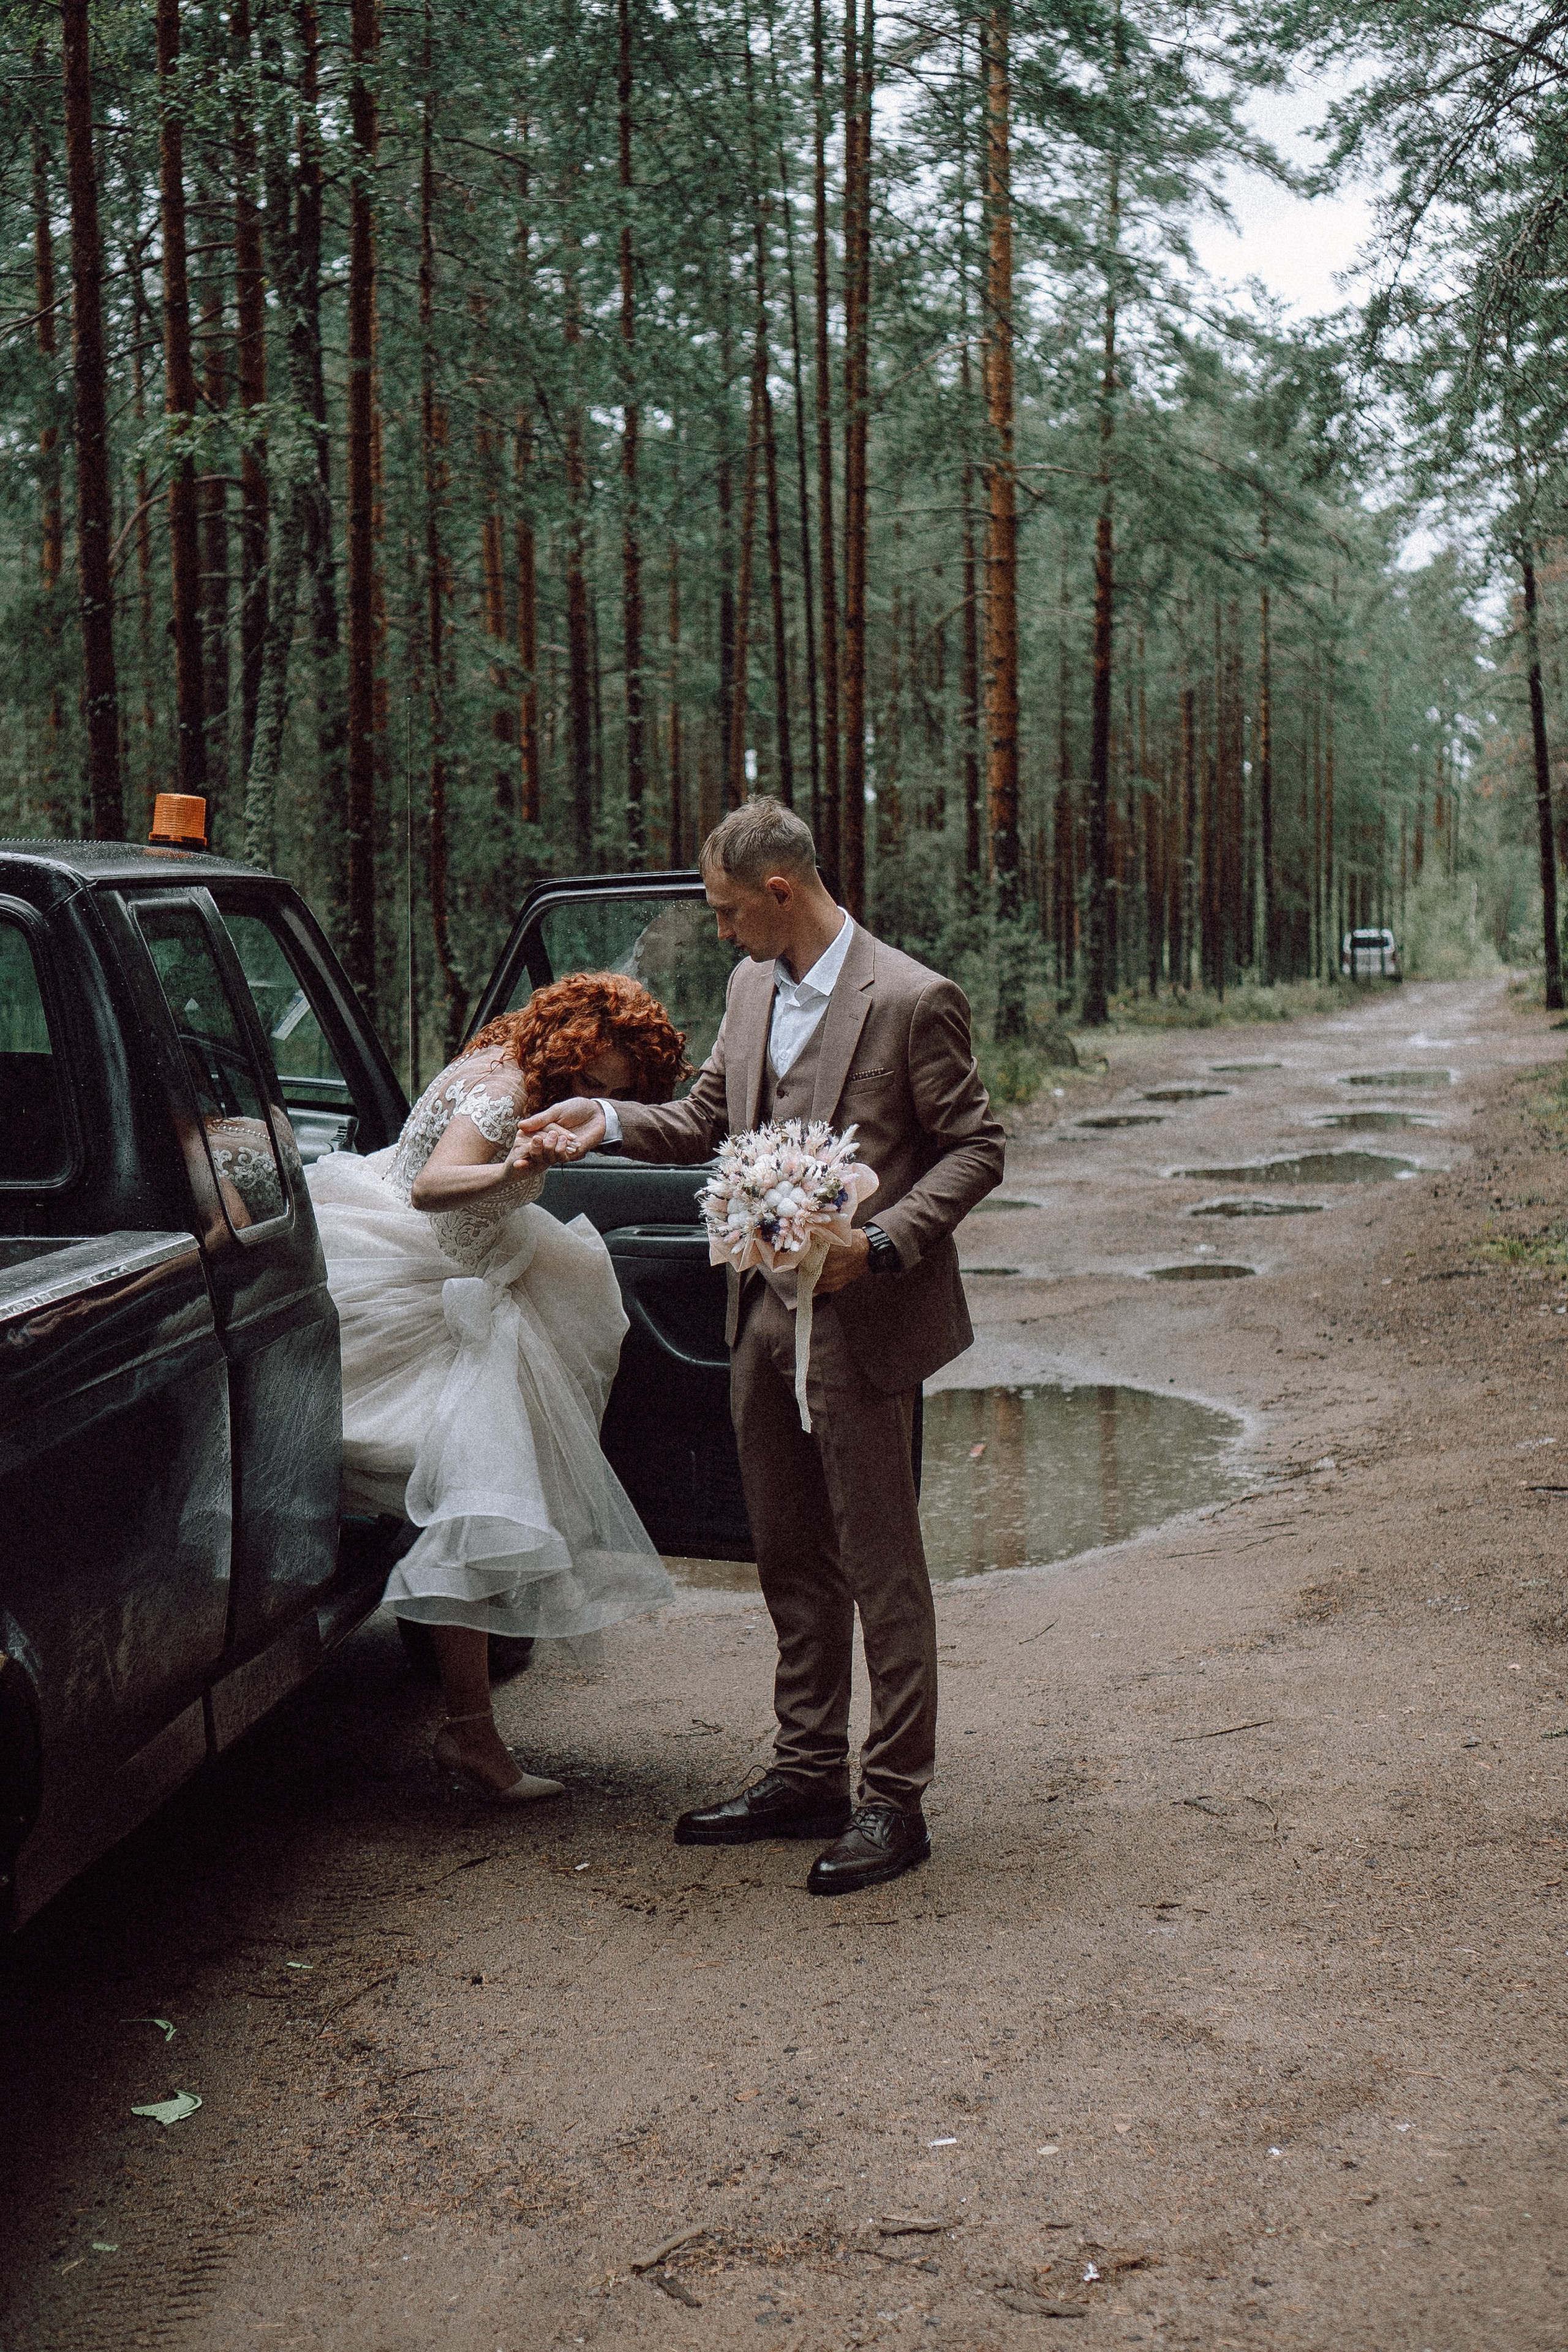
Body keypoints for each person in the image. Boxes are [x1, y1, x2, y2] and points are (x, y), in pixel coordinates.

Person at [518, 799, 1006, 1893]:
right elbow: (705, 1121)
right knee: (787, 1554)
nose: (726, 934)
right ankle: (805, 1773)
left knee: (881, 1565)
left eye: (733, 913)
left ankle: (895, 1801)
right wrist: (599, 1120)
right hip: (761, 1315)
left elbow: (977, 1148)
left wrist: (879, 1243)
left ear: (780, 893)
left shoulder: (914, 998)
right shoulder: (749, 989)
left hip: (866, 1320)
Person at [305, 973, 686, 1803]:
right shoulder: (507, 1093)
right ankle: (469, 1735)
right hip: (434, 1290)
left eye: (611, 1096)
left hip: (458, 1265)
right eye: (593, 1079)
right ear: (576, 1041)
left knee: (475, 1498)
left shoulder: (501, 1052)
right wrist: (517, 1162)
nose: (593, 1100)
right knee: (478, 1502)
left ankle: (468, 1726)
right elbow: (432, 1186)